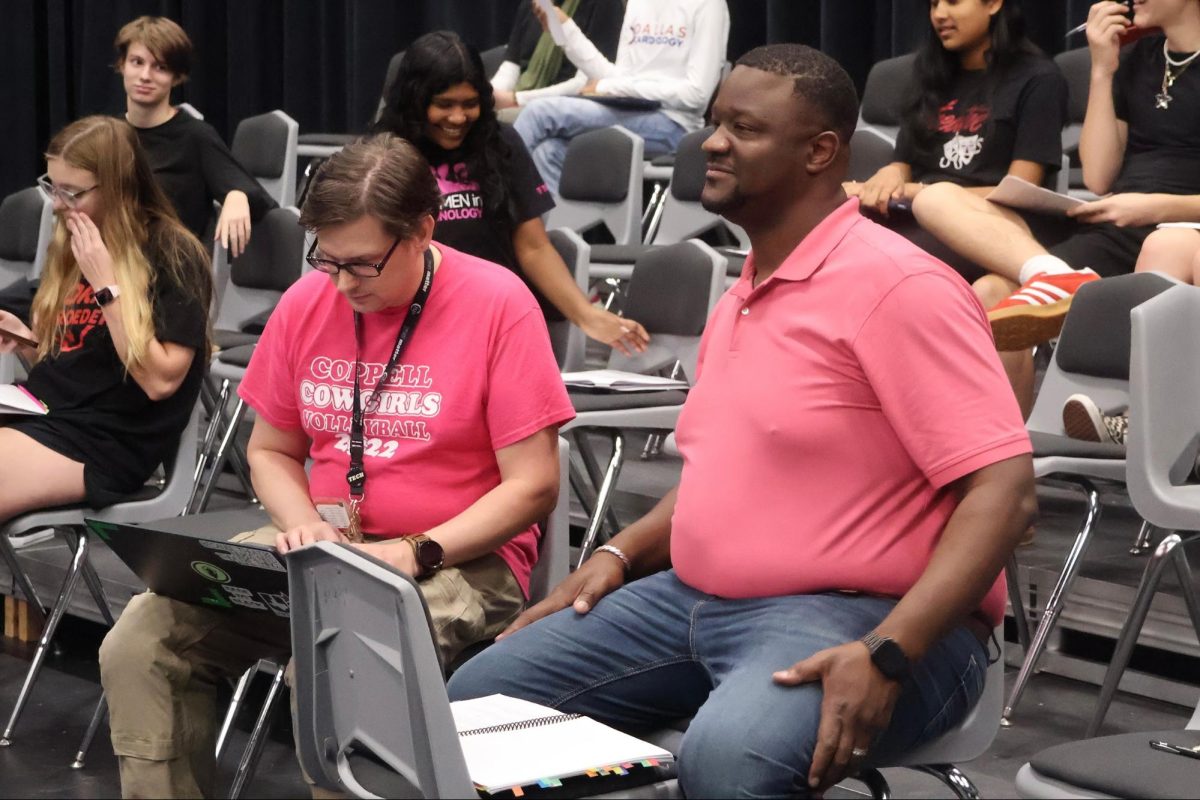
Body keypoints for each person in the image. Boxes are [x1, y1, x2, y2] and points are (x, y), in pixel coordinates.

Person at [449, 44, 1037, 798]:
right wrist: (621, 555)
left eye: (745, 129)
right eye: (716, 121)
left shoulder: (901, 287)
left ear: (821, 152)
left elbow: (1006, 493)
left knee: (733, 759)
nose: (713, 141)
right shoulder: (746, 289)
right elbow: (721, 472)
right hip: (690, 603)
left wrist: (891, 651)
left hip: (871, 619)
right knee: (479, 701)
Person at [98, 133, 576, 798]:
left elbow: (534, 487)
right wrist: (302, 525)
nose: (343, 282)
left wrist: (416, 551)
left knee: (340, 661)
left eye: (363, 265)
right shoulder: (308, 301)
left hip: (461, 556)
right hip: (328, 547)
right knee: (142, 641)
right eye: (328, 258)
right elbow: (270, 450)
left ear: (422, 232)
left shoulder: (498, 303)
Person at [912, 0, 1200, 352]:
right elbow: (1098, 177)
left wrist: (1155, 209)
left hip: (1179, 230)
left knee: (1165, 247)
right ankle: (1052, 273)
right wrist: (1101, 69)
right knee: (938, 203)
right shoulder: (1140, 59)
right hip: (1115, 226)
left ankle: (1130, 403)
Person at [376, 31, 648, 355]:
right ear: (416, 101)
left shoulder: (502, 144)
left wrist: (587, 315)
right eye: (444, 105)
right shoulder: (383, 153)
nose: (458, 117)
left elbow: (533, 247)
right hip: (406, 323)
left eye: (470, 104)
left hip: (491, 322)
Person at [0, 116, 211, 521]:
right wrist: (26, 342)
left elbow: (160, 381)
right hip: (47, 414)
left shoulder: (173, 253)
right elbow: (73, 364)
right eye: (52, 186)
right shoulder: (74, 239)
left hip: (107, 440)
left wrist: (107, 286)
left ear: (117, 188)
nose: (58, 204)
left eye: (72, 192)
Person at [844, 0, 1068, 284]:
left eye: (953, 2)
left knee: (877, 260)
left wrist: (913, 191)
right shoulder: (930, 75)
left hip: (988, 222)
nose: (940, 15)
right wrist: (889, 174)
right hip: (914, 212)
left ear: (993, 4)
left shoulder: (1038, 79)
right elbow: (903, 163)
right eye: (934, 4)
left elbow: (1019, 191)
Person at [514, 0, 730, 194]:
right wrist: (565, 32)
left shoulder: (708, 5)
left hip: (675, 123)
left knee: (538, 113)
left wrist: (613, 86)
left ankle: (488, 212)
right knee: (548, 151)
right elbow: (619, 78)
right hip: (628, 111)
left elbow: (697, 95)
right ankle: (547, 233)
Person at [115, 15, 276, 256]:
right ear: (122, 65)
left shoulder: (194, 136)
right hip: (111, 267)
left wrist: (236, 194)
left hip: (171, 276)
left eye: (160, 67)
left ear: (177, 77)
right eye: (137, 62)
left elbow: (258, 198)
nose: (146, 75)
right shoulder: (108, 135)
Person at [491, 0, 625, 117]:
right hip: (521, 98)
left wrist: (517, 99)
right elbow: (511, 66)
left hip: (566, 106)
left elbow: (587, 83)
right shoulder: (532, 4)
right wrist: (488, 96)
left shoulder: (605, 4)